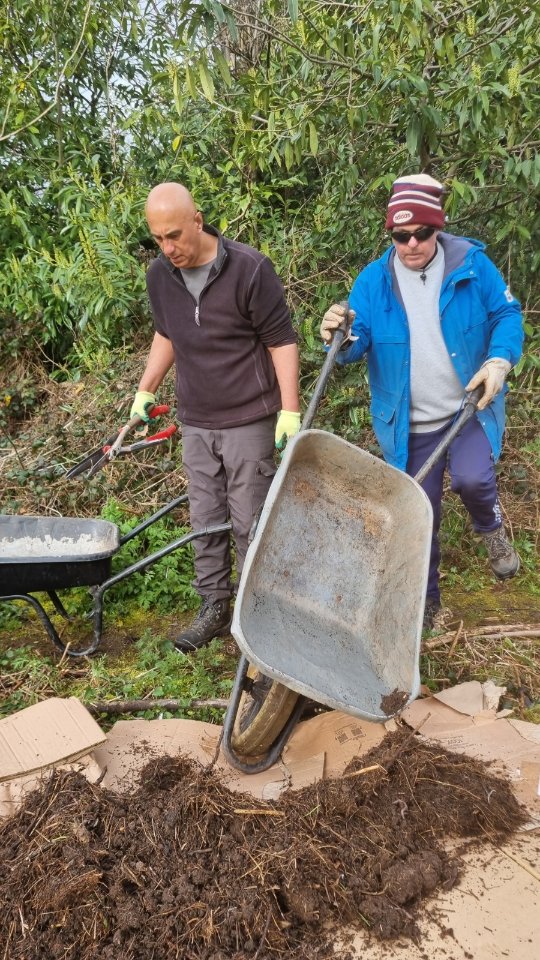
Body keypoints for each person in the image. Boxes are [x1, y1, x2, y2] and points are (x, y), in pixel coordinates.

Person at [320, 173, 523, 629]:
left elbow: (507, 314)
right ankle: (427, 603)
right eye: (400, 235)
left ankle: (491, 531)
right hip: (409, 423)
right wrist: (339, 335)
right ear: (390, 233)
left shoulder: (472, 264)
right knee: (418, 516)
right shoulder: (373, 281)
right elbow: (357, 344)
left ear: (438, 227)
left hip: (468, 406)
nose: (411, 244)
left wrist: (499, 361)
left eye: (422, 233)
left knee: (473, 479)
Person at [130, 182, 300, 651]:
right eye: (158, 238)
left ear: (198, 221)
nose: (168, 248)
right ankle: (213, 607)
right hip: (196, 420)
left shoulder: (249, 268)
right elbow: (166, 333)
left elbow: (281, 340)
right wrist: (145, 391)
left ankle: (256, 615)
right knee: (205, 518)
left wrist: (290, 410)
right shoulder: (160, 276)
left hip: (250, 417)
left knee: (250, 520)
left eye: (175, 235)